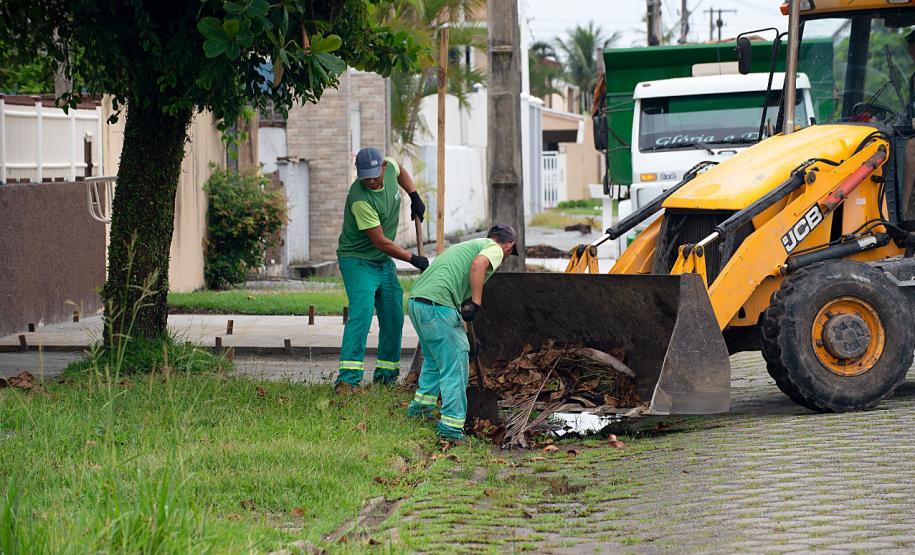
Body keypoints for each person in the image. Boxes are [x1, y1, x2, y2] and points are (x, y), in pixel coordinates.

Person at [405, 224, 518, 441]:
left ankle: (420, 410)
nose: (506, 256)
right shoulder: (493, 248)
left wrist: (468, 337)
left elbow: (458, 293)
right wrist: (476, 303)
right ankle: (451, 427)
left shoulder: (468, 245)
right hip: (438, 305)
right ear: (508, 245)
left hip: (418, 302)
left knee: (434, 360)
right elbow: (478, 265)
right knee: (455, 364)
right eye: (510, 251)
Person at [335, 147, 428, 395]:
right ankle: (347, 381)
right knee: (362, 315)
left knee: (393, 315)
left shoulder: (390, 167)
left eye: (375, 175)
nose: (371, 180)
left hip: (382, 262)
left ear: (383, 168)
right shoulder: (359, 198)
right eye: (366, 176)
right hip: (357, 260)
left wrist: (414, 195)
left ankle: (386, 377)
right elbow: (380, 242)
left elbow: (401, 171)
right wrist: (413, 259)